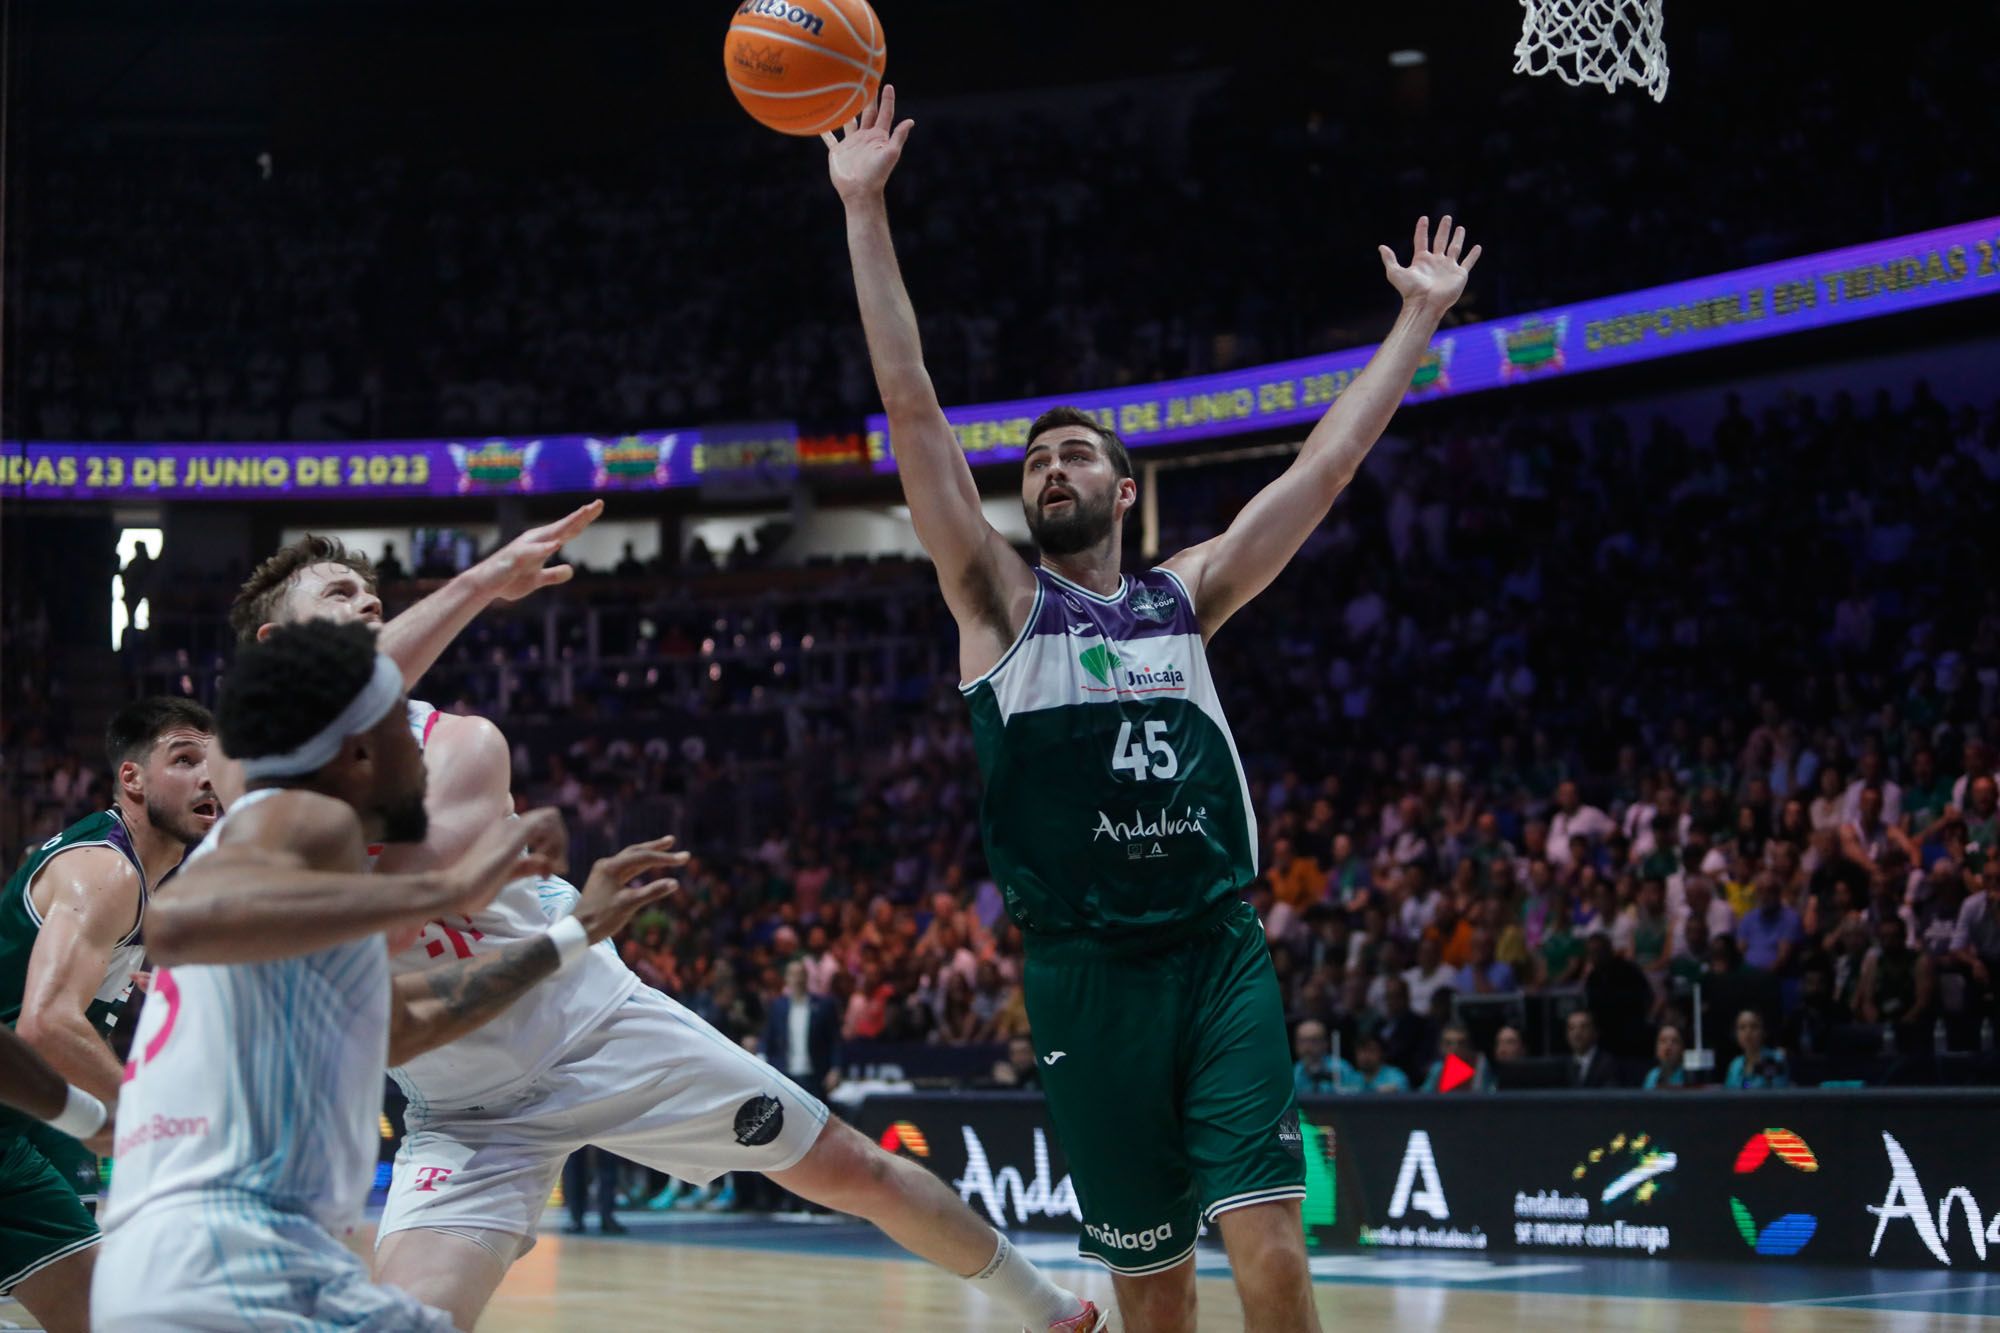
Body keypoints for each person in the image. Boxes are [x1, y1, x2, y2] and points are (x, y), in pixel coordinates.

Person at [827, 83, 1479, 1333]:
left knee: (1273, 1250)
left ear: (1125, 493)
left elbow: (1324, 466)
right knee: (1154, 1290)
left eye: (1075, 454)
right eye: (1032, 459)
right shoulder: (994, 602)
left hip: (1213, 948)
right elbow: (912, 404)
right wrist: (864, 210)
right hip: (1083, 975)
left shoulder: (1186, 597)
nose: (1048, 467)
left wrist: (1414, 320)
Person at [230, 528, 1098, 1333]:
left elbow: (394, 909)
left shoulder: (460, 745)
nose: (372, 607)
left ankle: (1051, 1307)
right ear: (278, 646)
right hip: (465, 1110)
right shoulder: (242, 783)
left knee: (852, 1168)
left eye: (376, 600)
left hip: (595, 1026)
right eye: (342, 596)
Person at [92, 619, 683, 1330]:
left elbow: (403, 1025)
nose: (422, 746)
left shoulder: (306, 862)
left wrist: (571, 935)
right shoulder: (303, 819)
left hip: (187, 1272)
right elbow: (179, 922)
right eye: (407, 726)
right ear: (360, 743)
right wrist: (449, 885)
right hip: (235, 1264)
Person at [0, 697, 218, 1333]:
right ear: (133, 779)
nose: (209, 777)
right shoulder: (107, 871)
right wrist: (144, 1115)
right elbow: (45, 1023)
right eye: (185, 759)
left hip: (21, 1110)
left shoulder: (138, 879)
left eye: (217, 761)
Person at [1723, 1009, 1792, 1088]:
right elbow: (1728, 1095)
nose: (1748, 1032)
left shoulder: (1776, 1059)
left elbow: (1779, 1095)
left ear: (1764, 1031)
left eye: (1754, 1026)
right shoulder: (1735, 1064)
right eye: (1742, 1027)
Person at [1563, 1010, 1621, 1088]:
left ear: (1595, 1032)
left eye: (1583, 1027)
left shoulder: (1608, 1063)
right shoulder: (1564, 1064)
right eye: (1571, 1028)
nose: (1577, 1033)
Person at [1340, 1035, 1411, 1093]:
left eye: (1371, 1051)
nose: (1365, 1056)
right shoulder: (1350, 1078)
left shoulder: (1395, 1075)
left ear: (1382, 1054)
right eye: (1361, 1051)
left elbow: (1400, 1088)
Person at [1291, 1019, 1345, 1096]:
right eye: (1302, 1041)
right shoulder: (1293, 1072)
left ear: (1325, 1043)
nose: (1307, 1047)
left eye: (1313, 1040)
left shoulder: (1341, 1069)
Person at [1642, 1023, 1690, 1089]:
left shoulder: (1689, 1076)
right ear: (1656, 1049)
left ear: (1682, 1049)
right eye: (1663, 1041)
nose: (1668, 1046)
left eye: (1674, 1041)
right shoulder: (1652, 1075)